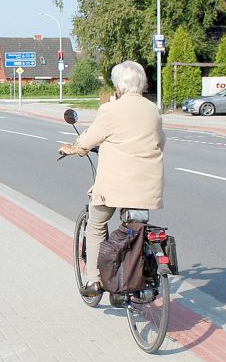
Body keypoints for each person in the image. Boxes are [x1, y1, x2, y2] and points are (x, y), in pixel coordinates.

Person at [58, 60, 165, 297]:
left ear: (118, 86)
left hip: (115, 185)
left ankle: (95, 280)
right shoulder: (153, 109)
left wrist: (73, 148)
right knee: (133, 229)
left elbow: (88, 140)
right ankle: (141, 273)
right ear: (143, 83)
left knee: (96, 225)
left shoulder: (111, 109)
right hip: (148, 186)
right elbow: (161, 142)